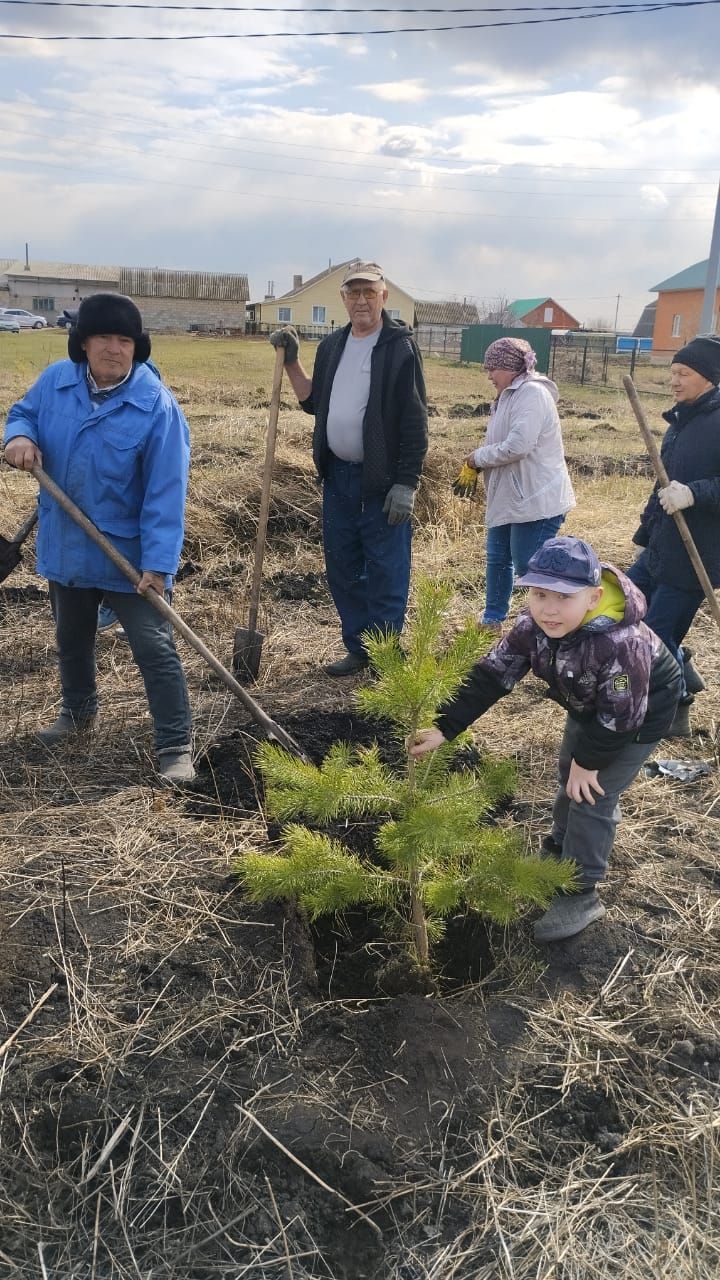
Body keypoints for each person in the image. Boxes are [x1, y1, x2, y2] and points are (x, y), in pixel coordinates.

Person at [409, 536, 681, 943]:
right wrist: (445, 726)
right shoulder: (530, 628)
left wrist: (588, 763)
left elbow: (622, 717)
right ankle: (559, 848)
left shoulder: (621, 643)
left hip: (638, 715)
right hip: (590, 706)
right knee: (567, 775)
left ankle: (580, 891)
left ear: (591, 598)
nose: (548, 609)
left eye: (562, 597)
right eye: (539, 594)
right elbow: (492, 675)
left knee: (591, 792)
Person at [3, 292, 195, 785]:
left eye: (125, 340)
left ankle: (176, 745)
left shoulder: (155, 406)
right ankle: (78, 713)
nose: (114, 348)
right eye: (104, 338)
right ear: (83, 344)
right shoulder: (55, 383)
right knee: (72, 637)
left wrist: (158, 564)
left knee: (154, 648)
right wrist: (18, 437)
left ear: (137, 347)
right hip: (67, 542)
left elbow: (165, 494)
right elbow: (22, 413)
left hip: (127, 554)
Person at [269, 261, 428, 676]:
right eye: (353, 293)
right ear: (343, 298)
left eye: (369, 292)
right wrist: (290, 363)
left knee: (387, 569)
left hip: (382, 481)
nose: (361, 300)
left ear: (384, 296)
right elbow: (313, 402)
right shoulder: (333, 347)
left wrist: (407, 483)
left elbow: (415, 420)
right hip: (337, 478)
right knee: (342, 567)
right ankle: (359, 648)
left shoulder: (399, 348)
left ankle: (387, 657)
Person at [626, 334, 720, 737]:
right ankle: (680, 667)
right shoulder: (681, 420)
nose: (675, 381)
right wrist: (647, 527)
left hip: (698, 552)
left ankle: (673, 704)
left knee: (653, 637)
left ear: (710, 377)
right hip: (664, 544)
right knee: (621, 610)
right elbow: (662, 482)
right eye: (672, 374)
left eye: (683, 373)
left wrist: (694, 493)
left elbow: (688, 487)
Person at [463, 336, 575, 631]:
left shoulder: (532, 395)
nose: (488, 375)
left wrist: (478, 458)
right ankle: (492, 619)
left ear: (511, 367)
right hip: (510, 497)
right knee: (498, 559)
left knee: (531, 566)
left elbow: (518, 446)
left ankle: (548, 626)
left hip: (535, 500)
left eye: (493, 369)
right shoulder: (509, 395)